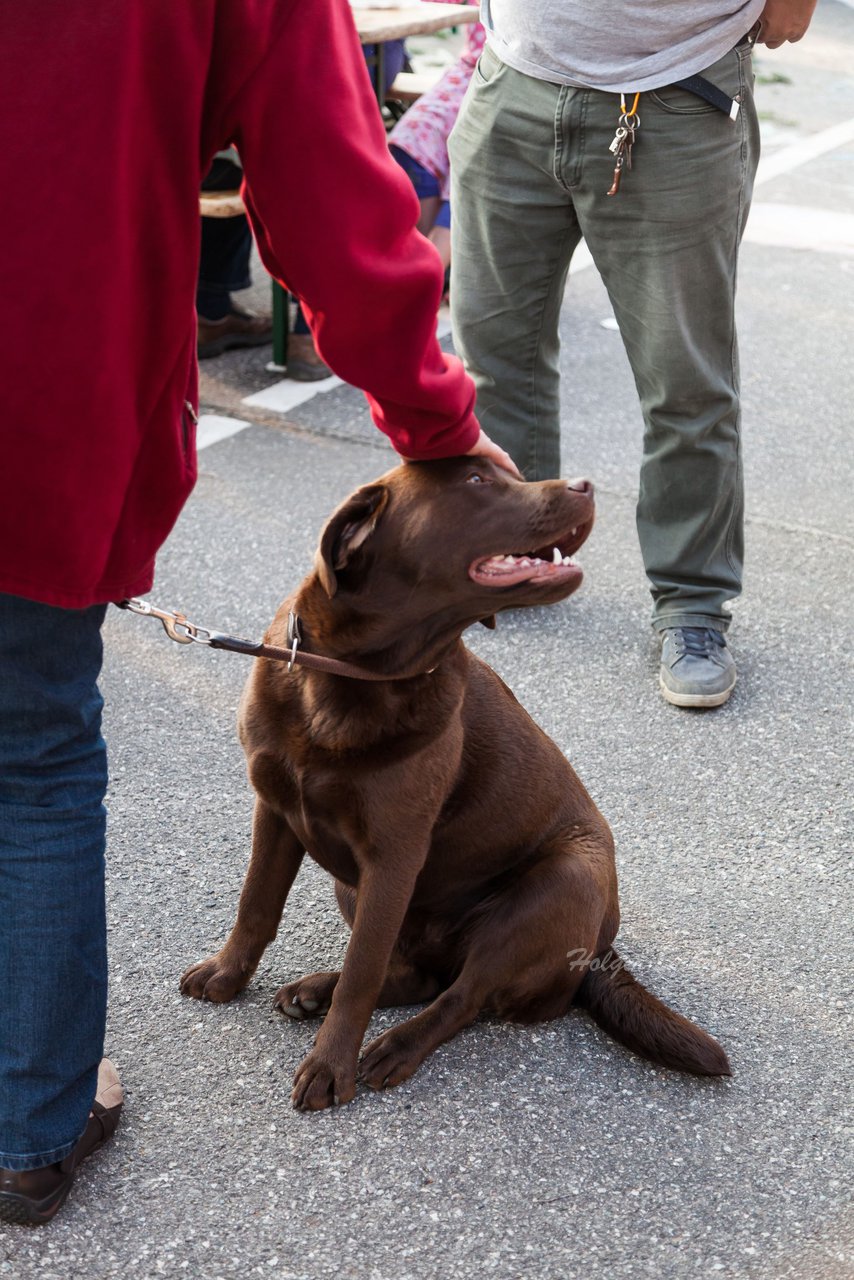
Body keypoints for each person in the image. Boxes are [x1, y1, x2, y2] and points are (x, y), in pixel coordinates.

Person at [0, 0, 518, 1226]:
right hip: (42, 399)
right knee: (29, 758)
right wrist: (437, 428)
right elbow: (332, 202)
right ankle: (29, 1123)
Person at [449, 0, 818, 708]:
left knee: (686, 383)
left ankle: (693, 606)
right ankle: (516, 558)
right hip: (513, 81)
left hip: (675, 94)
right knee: (493, 356)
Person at [197, 150, 330, 380]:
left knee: (224, 160)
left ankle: (210, 313)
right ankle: (309, 333)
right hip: (266, 165)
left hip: (187, 161)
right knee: (321, 175)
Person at [388, 0, 484, 288]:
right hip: (468, 71)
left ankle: (422, 277)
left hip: (512, 77)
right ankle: (424, 261)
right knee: (410, 138)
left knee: (470, 161)